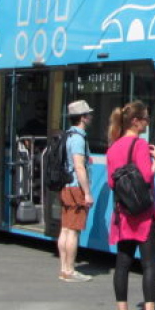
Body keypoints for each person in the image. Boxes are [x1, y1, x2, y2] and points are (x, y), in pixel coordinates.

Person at [106, 101, 155, 310]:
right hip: (144, 215)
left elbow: (112, 183)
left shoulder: (113, 147)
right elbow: (146, 179)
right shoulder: (140, 145)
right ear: (136, 121)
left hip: (123, 214)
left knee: (122, 264)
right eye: (146, 118)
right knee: (149, 265)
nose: (148, 122)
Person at [59, 100, 94, 283]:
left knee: (65, 229)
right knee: (73, 231)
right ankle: (70, 271)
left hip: (66, 187)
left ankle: (64, 268)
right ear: (82, 118)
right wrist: (87, 192)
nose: (90, 117)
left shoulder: (67, 135)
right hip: (76, 188)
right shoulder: (79, 138)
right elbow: (79, 168)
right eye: (88, 114)